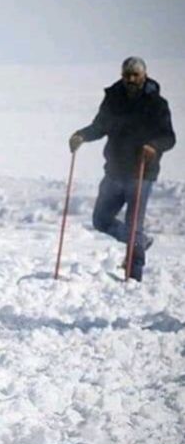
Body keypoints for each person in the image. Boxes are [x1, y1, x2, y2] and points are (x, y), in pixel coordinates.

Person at [69, 57, 176, 281]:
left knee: (133, 223)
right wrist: (81, 135)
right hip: (115, 170)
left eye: (135, 74)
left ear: (144, 75)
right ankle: (140, 241)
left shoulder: (157, 104)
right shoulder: (113, 99)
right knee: (101, 220)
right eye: (127, 74)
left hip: (141, 173)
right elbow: (100, 126)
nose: (130, 79)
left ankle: (134, 276)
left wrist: (154, 147)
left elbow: (169, 137)